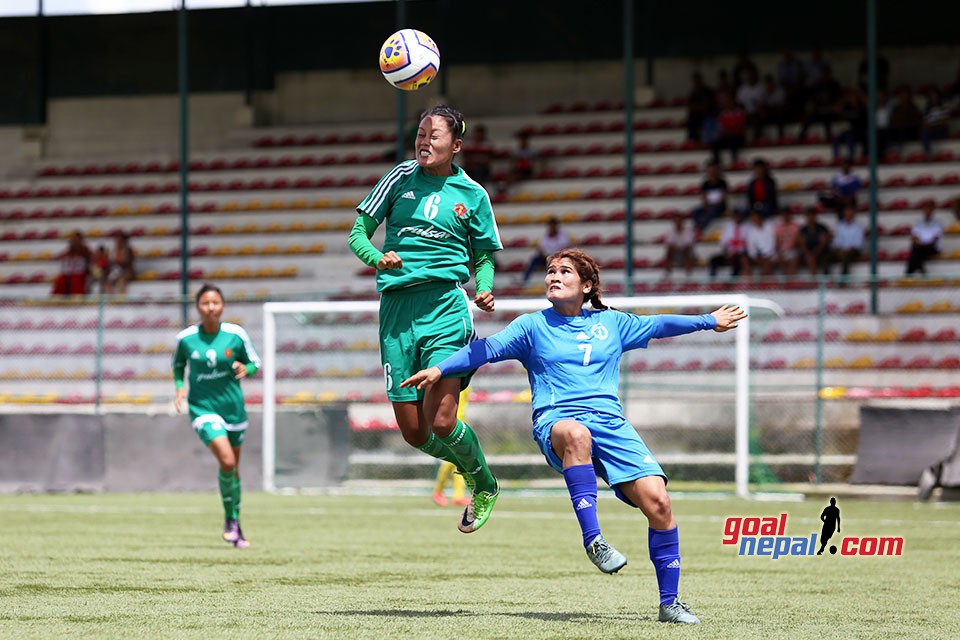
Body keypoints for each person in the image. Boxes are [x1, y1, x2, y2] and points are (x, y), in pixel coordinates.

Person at [401, 248, 748, 624]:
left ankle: (670, 602)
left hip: (612, 426)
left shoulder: (613, 323)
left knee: (660, 504)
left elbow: (659, 324)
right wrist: (439, 370)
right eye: (550, 271)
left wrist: (708, 320)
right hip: (558, 422)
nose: (554, 276)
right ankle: (594, 541)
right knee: (578, 434)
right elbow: (484, 349)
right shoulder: (531, 326)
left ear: (586, 285)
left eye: (564, 272)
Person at [348, 104, 504, 533]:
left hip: (445, 309)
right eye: (420, 133)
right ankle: (473, 470)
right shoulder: (399, 178)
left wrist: (484, 286)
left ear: (455, 145)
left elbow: (484, 255)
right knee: (414, 433)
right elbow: (357, 233)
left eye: (433, 135)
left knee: (441, 420)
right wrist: (379, 258)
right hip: (397, 313)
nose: (423, 141)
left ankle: (484, 482)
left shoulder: (472, 194)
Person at [172, 283, 261, 549]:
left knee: (233, 470)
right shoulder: (186, 338)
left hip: (233, 409)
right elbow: (178, 366)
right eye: (205, 303)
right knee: (227, 460)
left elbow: (255, 362)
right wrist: (180, 389)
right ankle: (231, 522)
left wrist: (247, 369)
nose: (211, 308)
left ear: (222, 306)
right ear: (198, 307)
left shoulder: (236, 334)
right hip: (202, 408)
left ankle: (233, 520)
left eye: (215, 303)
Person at [432, 388, 472, 507]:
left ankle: (458, 496)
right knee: (450, 461)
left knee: (459, 462)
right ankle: (438, 492)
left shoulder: (465, 380)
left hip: (460, 423)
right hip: (450, 424)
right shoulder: (452, 380)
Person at [522, 216, 571, 285]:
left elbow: (565, 248)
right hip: (547, 257)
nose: (551, 227)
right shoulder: (546, 235)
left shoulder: (562, 235)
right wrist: (542, 253)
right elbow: (541, 247)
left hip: (559, 258)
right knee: (534, 260)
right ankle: (524, 280)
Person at [690, 160, 728, 232]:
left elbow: (724, 198)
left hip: (719, 206)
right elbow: (704, 198)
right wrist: (706, 206)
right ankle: (698, 225)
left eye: (713, 170)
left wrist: (714, 204)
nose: (711, 173)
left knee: (712, 210)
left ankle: (700, 228)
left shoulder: (722, 183)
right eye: (709, 171)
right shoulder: (705, 184)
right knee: (695, 211)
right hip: (709, 206)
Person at [905, 202, 943, 275]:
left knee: (915, 253)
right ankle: (921, 270)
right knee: (916, 252)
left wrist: (921, 244)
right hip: (920, 247)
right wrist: (919, 243)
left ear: (932, 212)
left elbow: (934, 240)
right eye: (925, 210)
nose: (927, 212)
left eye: (929, 211)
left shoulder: (937, 224)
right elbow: (914, 237)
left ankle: (909, 273)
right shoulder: (918, 223)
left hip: (932, 248)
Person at [708, 210, 747, 279]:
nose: (737, 218)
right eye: (736, 216)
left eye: (739, 216)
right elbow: (723, 243)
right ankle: (712, 281)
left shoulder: (747, 228)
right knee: (713, 260)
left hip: (740, 255)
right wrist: (726, 253)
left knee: (738, 264)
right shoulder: (729, 228)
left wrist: (736, 254)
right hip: (729, 254)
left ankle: (731, 283)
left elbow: (747, 245)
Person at [829, 205, 865, 278]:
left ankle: (843, 281)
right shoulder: (840, 225)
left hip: (853, 250)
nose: (848, 216)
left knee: (847, 257)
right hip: (841, 250)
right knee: (827, 257)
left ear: (853, 215)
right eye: (846, 214)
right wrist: (839, 249)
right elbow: (837, 241)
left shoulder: (858, 227)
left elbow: (858, 243)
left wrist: (847, 250)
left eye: (850, 214)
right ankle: (826, 281)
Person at [743, 208, 776, 278]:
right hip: (759, 256)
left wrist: (769, 255)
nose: (753, 219)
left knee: (767, 263)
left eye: (754, 216)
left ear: (760, 216)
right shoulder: (751, 231)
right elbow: (751, 249)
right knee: (745, 259)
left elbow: (775, 243)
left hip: (772, 254)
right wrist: (757, 257)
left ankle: (761, 283)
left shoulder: (770, 226)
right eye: (751, 217)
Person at [798, 208, 832, 276]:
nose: (810, 218)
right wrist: (807, 253)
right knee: (809, 257)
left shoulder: (822, 228)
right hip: (808, 253)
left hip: (821, 252)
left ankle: (822, 279)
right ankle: (814, 279)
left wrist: (815, 252)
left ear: (815, 216)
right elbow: (802, 244)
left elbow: (822, 243)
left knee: (822, 259)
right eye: (808, 216)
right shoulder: (803, 229)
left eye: (812, 216)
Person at [461, 123, 495, 188]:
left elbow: (490, 159)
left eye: (480, 134)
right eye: (477, 133)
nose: (478, 136)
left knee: (479, 172)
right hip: (469, 167)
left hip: (483, 168)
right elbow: (465, 157)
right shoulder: (468, 144)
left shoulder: (488, 145)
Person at [663, 212, 696, 278]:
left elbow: (688, 246)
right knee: (669, 251)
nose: (677, 222)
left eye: (679, 220)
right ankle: (668, 273)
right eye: (676, 221)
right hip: (676, 253)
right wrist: (677, 248)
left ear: (683, 221)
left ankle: (689, 273)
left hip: (688, 254)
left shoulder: (688, 232)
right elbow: (669, 245)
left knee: (686, 250)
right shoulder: (670, 232)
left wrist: (678, 247)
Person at [773, 209, 801, 276]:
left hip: (793, 249)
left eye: (787, 215)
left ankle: (790, 281)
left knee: (794, 259)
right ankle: (786, 281)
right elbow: (777, 241)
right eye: (783, 215)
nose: (785, 217)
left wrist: (790, 248)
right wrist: (780, 252)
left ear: (790, 216)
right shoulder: (778, 227)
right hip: (781, 250)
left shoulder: (795, 226)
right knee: (781, 260)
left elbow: (797, 240)